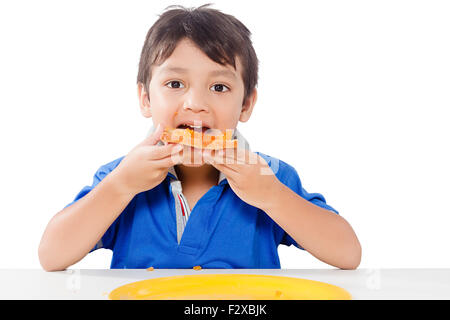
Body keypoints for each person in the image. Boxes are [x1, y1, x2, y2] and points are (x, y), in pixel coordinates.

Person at [38, 4, 361, 271]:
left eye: (219, 87)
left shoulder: (268, 174)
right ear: (146, 99)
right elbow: (52, 257)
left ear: (246, 104)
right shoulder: (121, 176)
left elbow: (348, 254)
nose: (195, 103)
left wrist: (272, 196)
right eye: (175, 84)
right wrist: (120, 186)